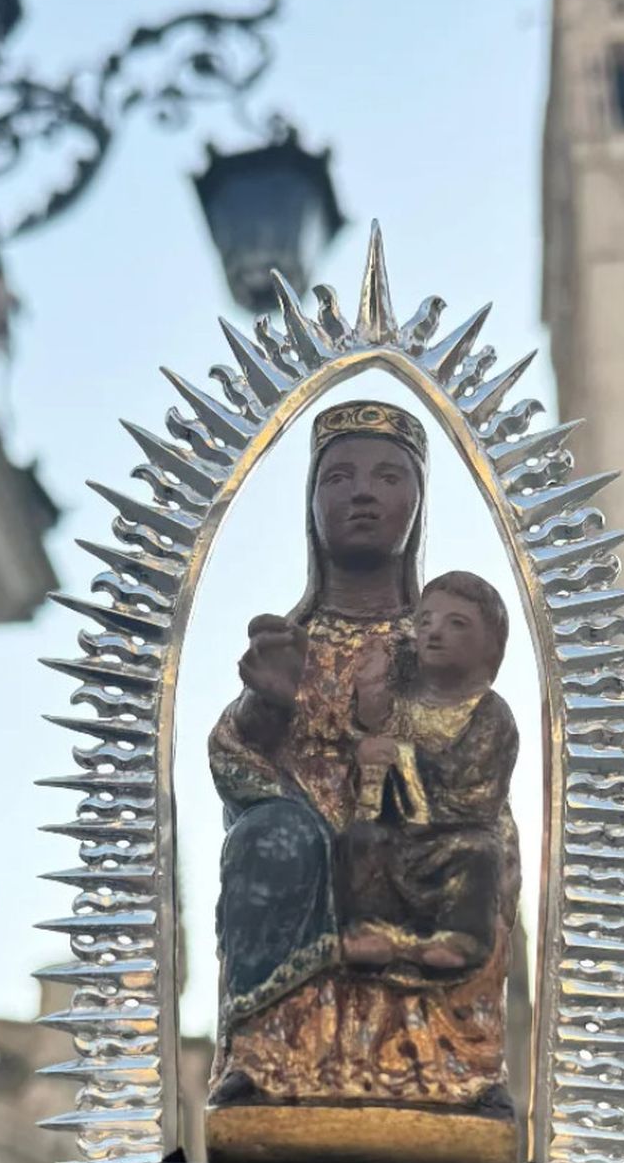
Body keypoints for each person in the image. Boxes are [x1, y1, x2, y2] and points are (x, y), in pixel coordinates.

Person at [206, 400, 516, 1125]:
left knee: (474, 854)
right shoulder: (289, 638)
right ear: (312, 506)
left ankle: (455, 1070)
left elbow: (480, 734)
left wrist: (421, 791)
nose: (363, 493)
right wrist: (269, 704)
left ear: (417, 501)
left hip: (423, 819)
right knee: (269, 841)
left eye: (388, 477)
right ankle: (269, 1061)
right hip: (304, 832)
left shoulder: (444, 636)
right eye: (338, 477)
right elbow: (234, 758)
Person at [339, 570, 518, 976]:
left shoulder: (489, 712)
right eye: (426, 621)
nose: (434, 633)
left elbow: (476, 793)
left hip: (457, 837)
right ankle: (374, 932)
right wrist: (368, 742)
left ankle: (460, 938)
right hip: (397, 835)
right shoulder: (399, 703)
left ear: (490, 645)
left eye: (456, 624)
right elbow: (366, 757)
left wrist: (400, 757)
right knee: (361, 840)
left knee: (479, 853)